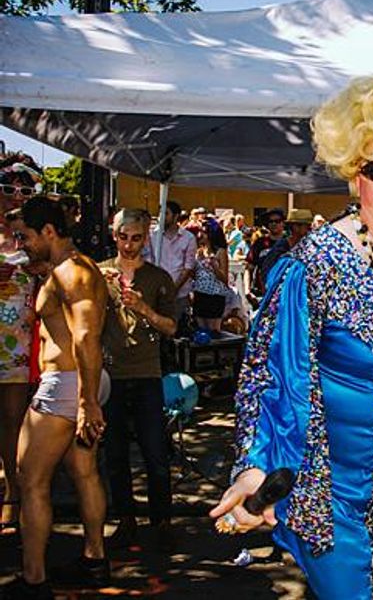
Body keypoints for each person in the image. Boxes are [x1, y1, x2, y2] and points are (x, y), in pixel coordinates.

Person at [210, 73, 373, 599]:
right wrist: (256, 468)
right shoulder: (315, 264)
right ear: (355, 177)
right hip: (329, 493)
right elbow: (269, 377)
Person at [3, 196, 111, 599]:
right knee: (83, 472)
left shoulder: (73, 273)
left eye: (26, 236)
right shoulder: (69, 269)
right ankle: (94, 560)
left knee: (30, 479)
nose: (22, 244)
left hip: (68, 385)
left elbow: (86, 335)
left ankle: (33, 579)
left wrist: (87, 402)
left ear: (49, 231)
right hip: (79, 383)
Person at [99, 209, 177, 550]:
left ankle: (161, 520)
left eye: (136, 238)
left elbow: (172, 328)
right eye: (123, 237)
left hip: (147, 373)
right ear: (113, 235)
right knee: (114, 454)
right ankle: (126, 519)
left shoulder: (158, 278)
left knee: (155, 453)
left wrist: (144, 309)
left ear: (146, 238)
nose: (129, 245)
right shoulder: (98, 274)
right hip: (110, 373)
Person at [0, 158, 44, 538]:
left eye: (26, 189)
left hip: (19, 343)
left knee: (14, 421)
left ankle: (13, 495)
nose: (16, 194)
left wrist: (38, 271)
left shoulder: (34, 235)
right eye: (9, 185)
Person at [148, 200, 197, 328]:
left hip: (179, 293)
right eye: (160, 213)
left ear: (176, 217)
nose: (161, 217)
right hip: (157, 292)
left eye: (166, 213)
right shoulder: (153, 235)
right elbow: (149, 260)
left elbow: (188, 267)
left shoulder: (189, 238)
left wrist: (173, 289)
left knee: (177, 328)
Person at [254, 208, 314, 288]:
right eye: (306, 226)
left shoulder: (310, 245)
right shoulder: (281, 246)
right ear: (294, 226)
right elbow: (266, 271)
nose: (309, 230)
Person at [191, 219, 229, 333]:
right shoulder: (200, 252)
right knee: (201, 327)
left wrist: (214, 267)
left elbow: (224, 278)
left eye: (203, 232)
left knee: (213, 329)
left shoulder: (220, 252)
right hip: (200, 293)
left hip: (214, 295)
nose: (200, 235)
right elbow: (195, 274)